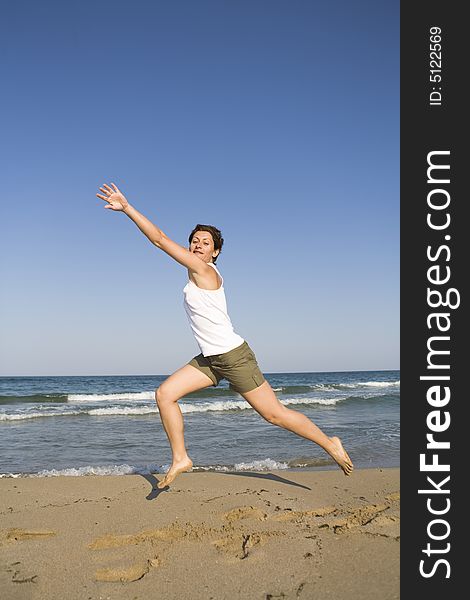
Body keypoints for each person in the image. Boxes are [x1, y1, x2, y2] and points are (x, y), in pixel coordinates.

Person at [96, 182, 354, 488]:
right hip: (210, 359)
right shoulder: (195, 276)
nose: (197, 245)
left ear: (215, 253)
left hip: (233, 356)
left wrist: (127, 209)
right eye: (194, 241)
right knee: (165, 395)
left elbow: (160, 240)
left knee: (274, 415)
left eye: (205, 242)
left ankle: (329, 442)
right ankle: (181, 458)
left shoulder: (206, 272)